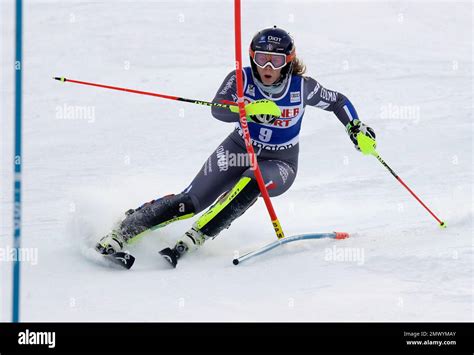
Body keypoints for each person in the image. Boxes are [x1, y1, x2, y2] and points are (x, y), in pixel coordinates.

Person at [95, 26, 376, 267]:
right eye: (262, 59)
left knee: (253, 182)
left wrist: (355, 127)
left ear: (288, 62)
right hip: (238, 148)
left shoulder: (302, 87)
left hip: (280, 163)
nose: (268, 67)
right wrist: (247, 108)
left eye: (276, 61)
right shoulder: (240, 79)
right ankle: (121, 232)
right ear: (252, 57)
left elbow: (337, 101)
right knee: (190, 201)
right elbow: (218, 110)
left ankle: (199, 234)